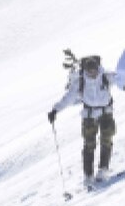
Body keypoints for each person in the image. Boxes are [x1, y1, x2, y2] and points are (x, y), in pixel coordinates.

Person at [49, 54, 115, 187]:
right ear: (85, 70)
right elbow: (68, 98)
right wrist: (55, 110)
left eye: (94, 70)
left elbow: (122, 78)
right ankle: (88, 175)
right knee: (89, 144)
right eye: (89, 71)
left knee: (106, 140)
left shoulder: (106, 77)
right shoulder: (80, 82)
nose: (92, 74)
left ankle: (103, 170)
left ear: (97, 68)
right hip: (89, 115)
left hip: (106, 112)